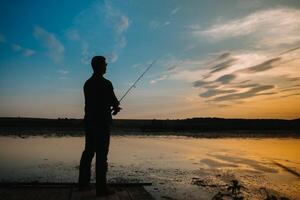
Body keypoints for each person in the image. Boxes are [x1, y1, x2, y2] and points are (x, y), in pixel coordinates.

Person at [78, 56, 121, 196]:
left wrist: (112, 105)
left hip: (90, 123)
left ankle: (83, 185)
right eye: (105, 64)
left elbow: (93, 103)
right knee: (102, 156)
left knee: (88, 152)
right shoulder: (106, 83)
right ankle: (101, 189)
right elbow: (114, 102)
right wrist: (116, 107)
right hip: (102, 124)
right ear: (99, 66)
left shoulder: (87, 83)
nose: (106, 66)